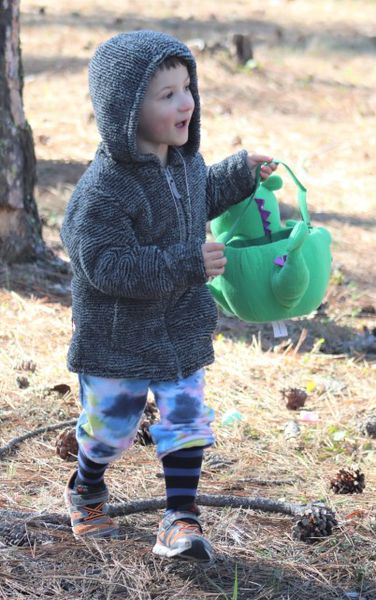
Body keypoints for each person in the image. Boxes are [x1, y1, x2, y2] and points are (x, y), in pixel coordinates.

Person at [60, 29, 277, 562]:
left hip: (179, 323)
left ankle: (180, 518)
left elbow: (203, 195)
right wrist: (184, 262)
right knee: (111, 429)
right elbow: (105, 265)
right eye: (168, 94)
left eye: (188, 87)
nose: (187, 102)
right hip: (118, 336)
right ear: (127, 109)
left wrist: (241, 174)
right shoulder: (103, 189)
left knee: (186, 417)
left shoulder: (184, 164)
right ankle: (86, 486)